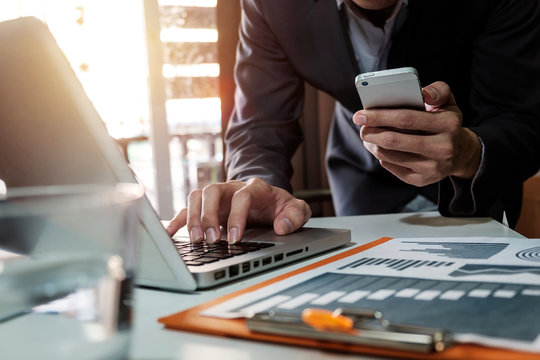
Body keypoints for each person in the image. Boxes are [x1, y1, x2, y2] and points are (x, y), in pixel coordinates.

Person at [167, 0, 540, 244]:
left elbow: (522, 117)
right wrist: (256, 182)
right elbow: (259, 124)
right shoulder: (271, 6)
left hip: (472, 193)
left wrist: (468, 153)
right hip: (358, 183)